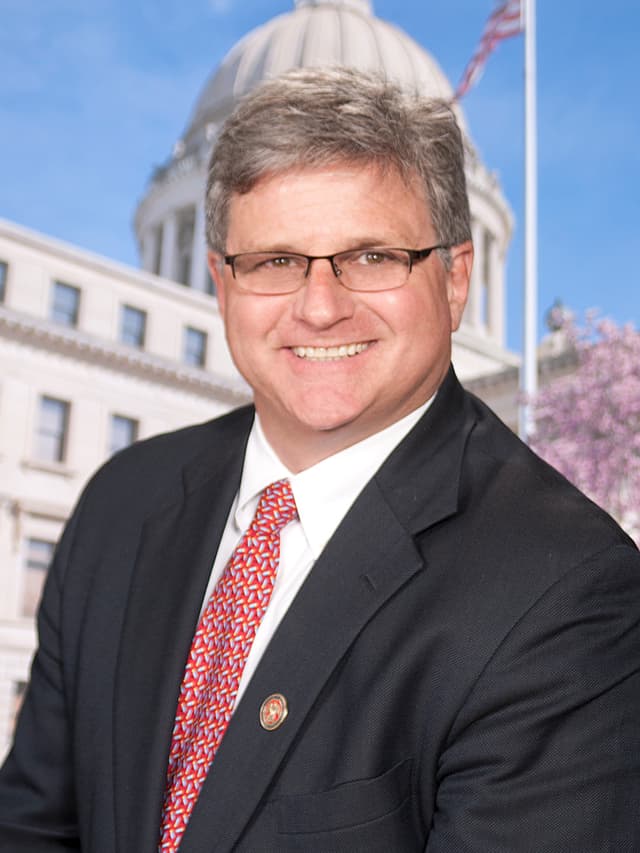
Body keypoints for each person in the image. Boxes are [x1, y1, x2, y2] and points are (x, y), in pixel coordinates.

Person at [0, 67, 639, 853]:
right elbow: (32, 825)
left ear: (456, 277)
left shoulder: (569, 592)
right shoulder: (121, 502)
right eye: (275, 261)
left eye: (372, 256)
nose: (320, 304)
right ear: (221, 282)